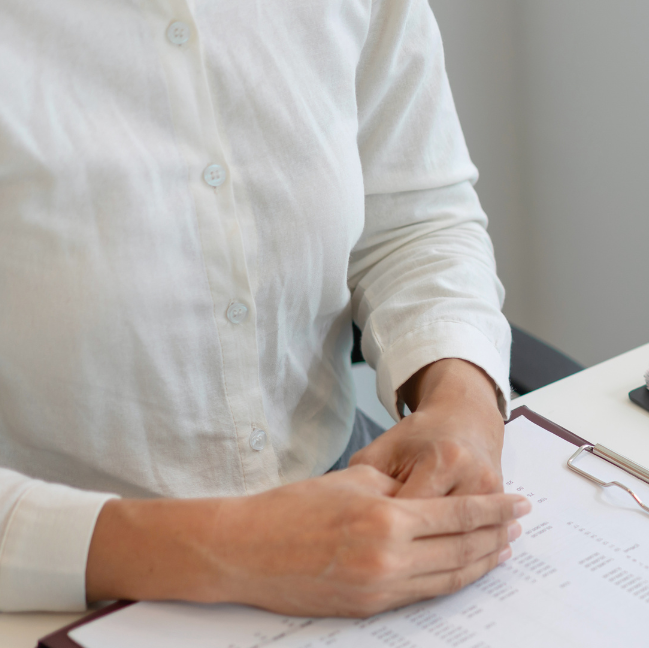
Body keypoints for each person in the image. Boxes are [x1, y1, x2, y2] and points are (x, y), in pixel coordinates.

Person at [0, 0, 529, 615]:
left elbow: (413, 221)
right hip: (65, 593)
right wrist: (234, 549)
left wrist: (460, 401)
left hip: (359, 520)